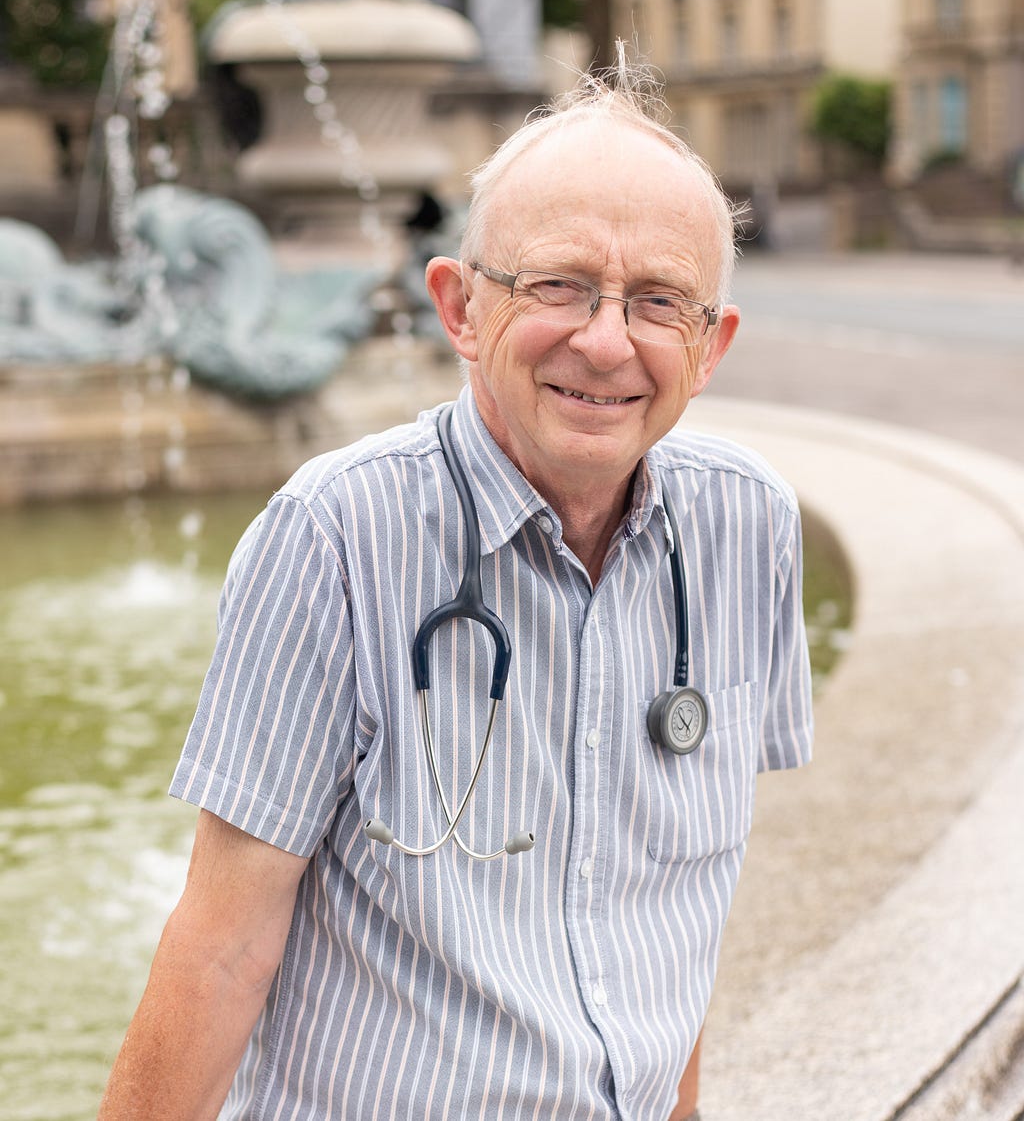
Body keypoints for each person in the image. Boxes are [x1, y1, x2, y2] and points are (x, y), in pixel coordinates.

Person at [99, 56, 813, 1121]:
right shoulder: (336, 537)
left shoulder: (746, 530)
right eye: (558, 285)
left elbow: (672, 914)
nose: (606, 341)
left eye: (658, 301)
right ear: (460, 308)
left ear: (710, 347)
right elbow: (220, 949)